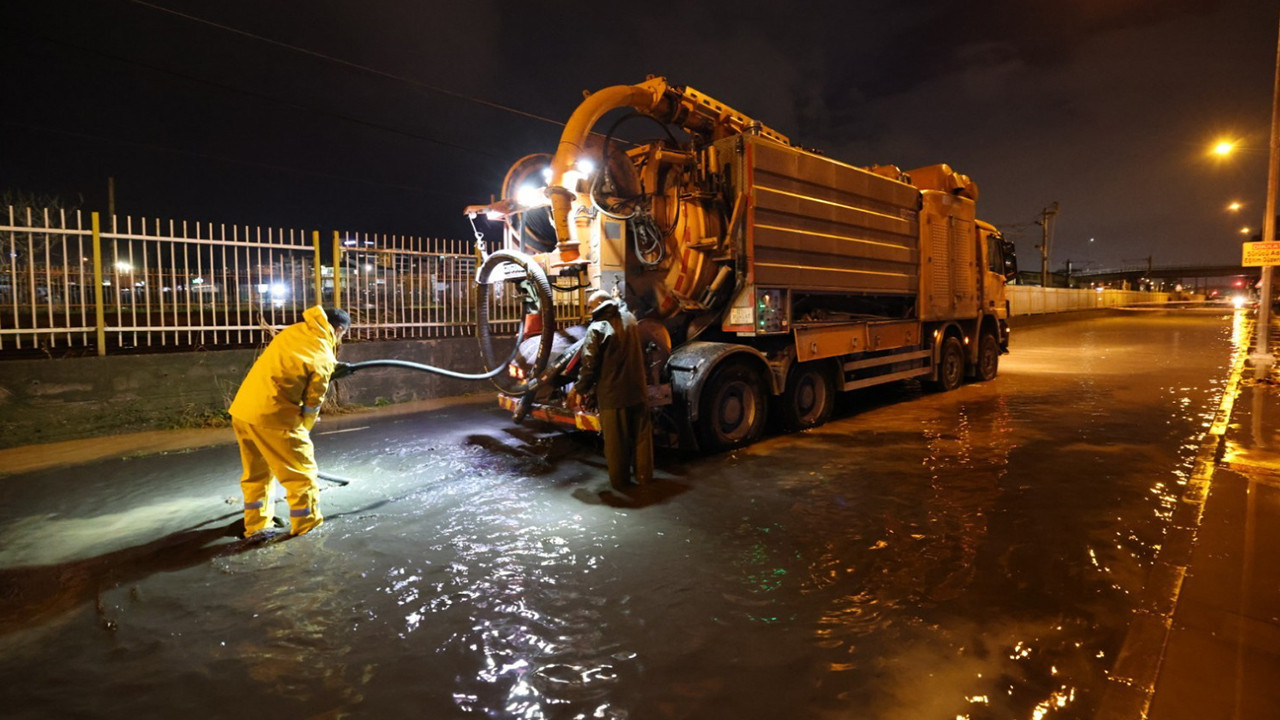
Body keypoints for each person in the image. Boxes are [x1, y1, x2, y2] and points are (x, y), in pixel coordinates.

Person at [229, 305, 351, 538]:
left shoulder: (292, 332)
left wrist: (330, 369)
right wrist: (302, 431)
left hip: (244, 411)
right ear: (337, 330)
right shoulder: (323, 355)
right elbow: (312, 404)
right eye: (342, 335)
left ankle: (256, 526)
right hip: (275, 418)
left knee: (257, 475)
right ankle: (307, 527)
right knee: (302, 477)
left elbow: (292, 364)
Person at [569, 290, 653, 490]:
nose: (589, 311)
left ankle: (621, 485)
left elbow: (589, 364)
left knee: (616, 444)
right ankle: (644, 478)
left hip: (613, 396)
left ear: (596, 306)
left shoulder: (597, 328)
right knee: (642, 439)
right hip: (638, 391)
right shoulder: (630, 319)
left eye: (590, 307)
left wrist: (580, 389)